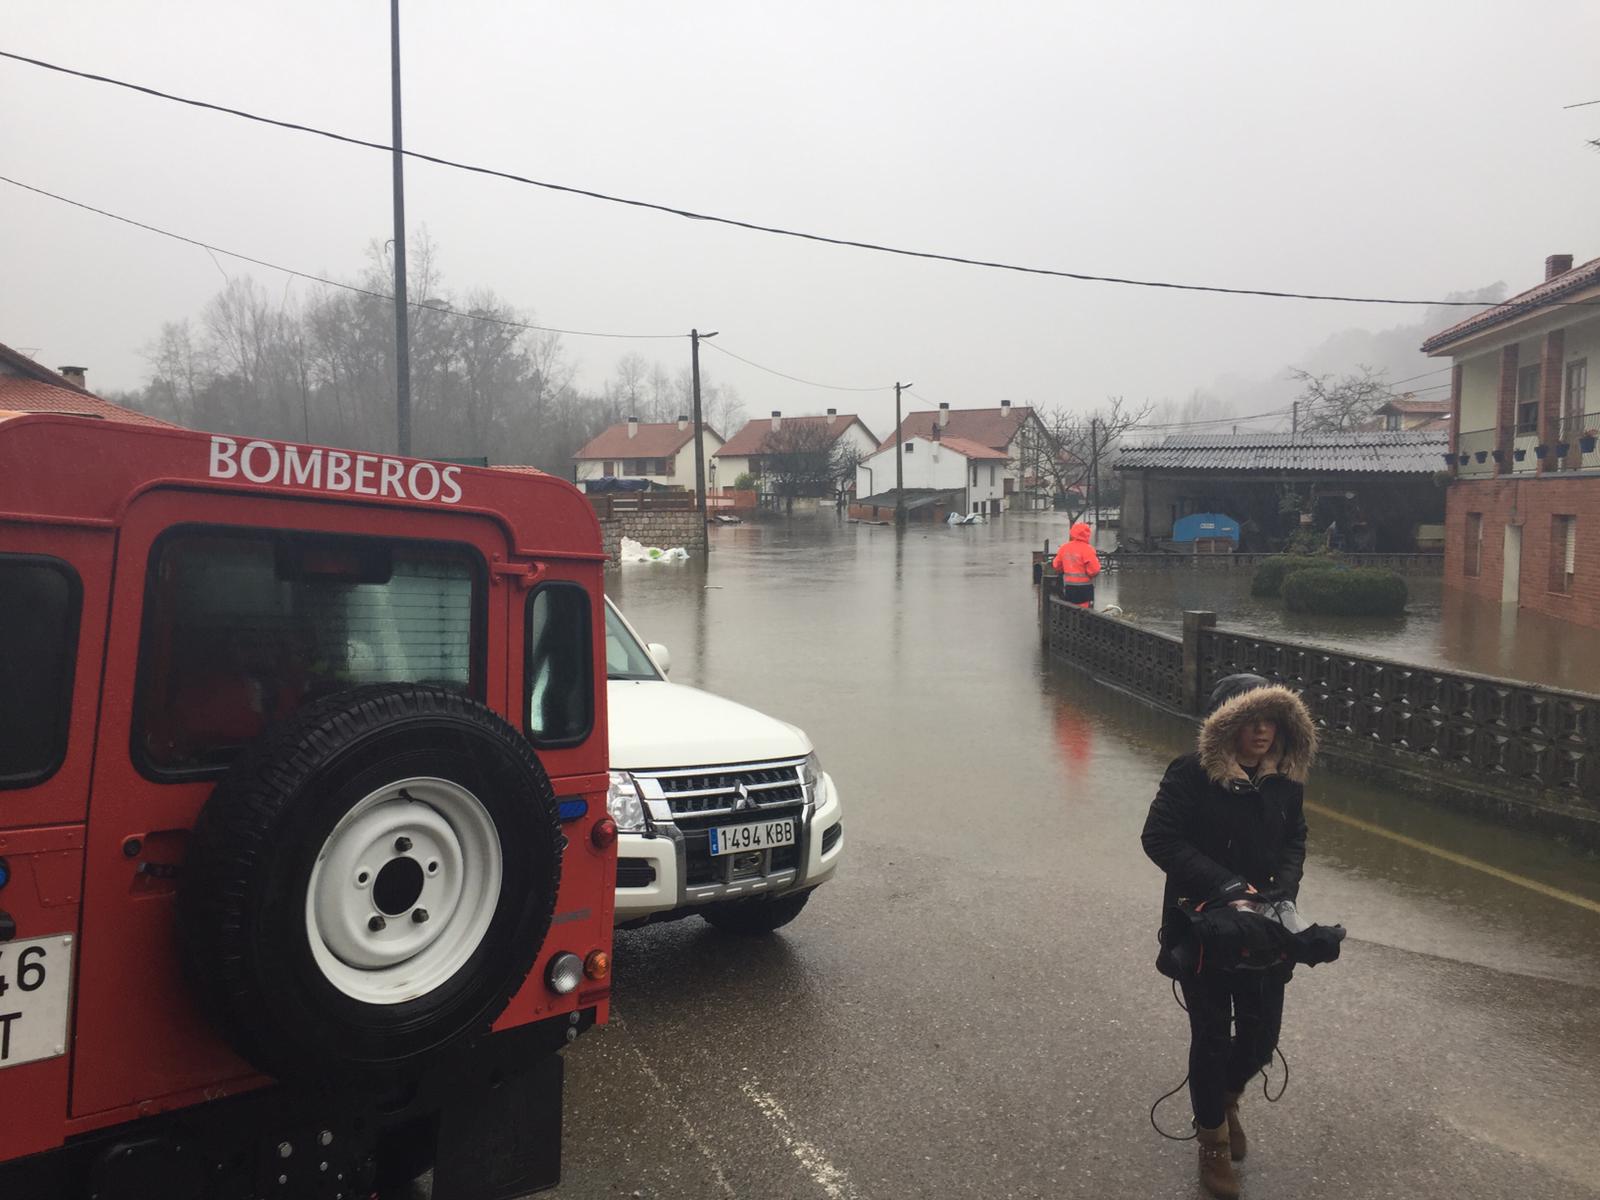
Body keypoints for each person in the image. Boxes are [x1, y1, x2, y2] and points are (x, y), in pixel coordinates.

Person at [1140, 674, 1317, 1199]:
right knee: (1212, 1038)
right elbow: (1159, 838)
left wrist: (1283, 889)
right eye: (1250, 720)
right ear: (1225, 726)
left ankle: (1227, 1096)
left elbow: (1295, 840)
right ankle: (1212, 1141)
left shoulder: (1285, 779)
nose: (1262, 731)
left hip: (1265, 929)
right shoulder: (1190, 775)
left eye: (1271, 720)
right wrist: (1225, 884)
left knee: (1261, 1039)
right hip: (1205, 929)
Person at [1051, 521, 1101, 608]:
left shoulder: (1064, 548)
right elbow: (1094, 570)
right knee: (1084, 613)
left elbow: (1056, 566)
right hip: (1085, 588)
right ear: (1087, 534)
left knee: (1069, 611)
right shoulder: (1088, 549)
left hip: (1068, 587)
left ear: (1072, 532)